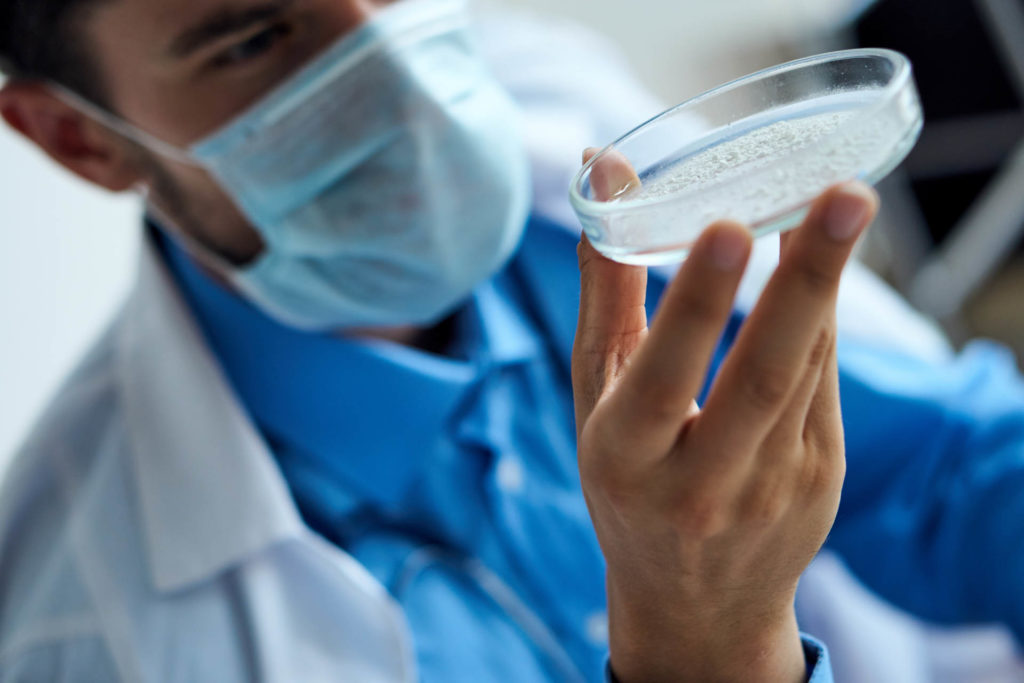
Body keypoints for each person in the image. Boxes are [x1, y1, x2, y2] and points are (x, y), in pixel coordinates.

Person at [0, 0, 1021, 681]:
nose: (407, 81)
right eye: (255, 40)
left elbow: (950, 470)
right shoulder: (87, 635)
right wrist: (702, 649)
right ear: (78, 138)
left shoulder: (560, 115)